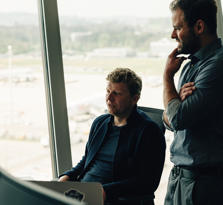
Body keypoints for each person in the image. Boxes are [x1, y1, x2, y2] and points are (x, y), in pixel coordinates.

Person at [59, 68, 166, 205]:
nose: (109, 98)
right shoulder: (100, 123)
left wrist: (106, 191)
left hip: (114, 199)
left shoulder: (148, 131)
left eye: (117, 93)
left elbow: (148, 181)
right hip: (84, 194)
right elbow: (88, 159)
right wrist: (68, 176)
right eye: (108, 91)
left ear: (134, 99)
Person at [163, 0, 223, 204]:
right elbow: (170, 118)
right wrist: (175, 105)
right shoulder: (190, 65)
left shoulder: (217, 66)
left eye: (178, 28)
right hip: (179, 179)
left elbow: (178, 119)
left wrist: (167, 78)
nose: (173, 35)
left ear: (199, 26)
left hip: (203, 184)